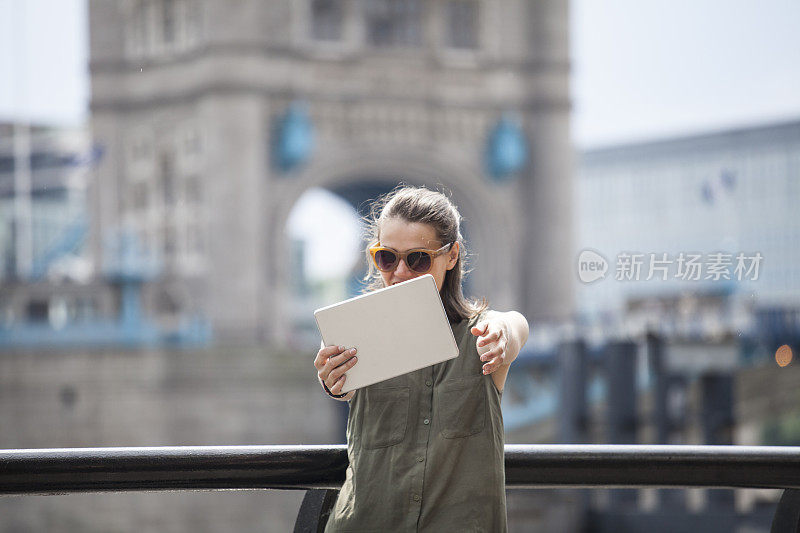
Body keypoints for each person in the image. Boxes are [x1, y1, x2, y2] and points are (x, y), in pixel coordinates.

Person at [314, 185, 529, 532]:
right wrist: (333, 381)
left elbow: (516, 325)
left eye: (417, 259)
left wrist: (504, 332)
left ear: (452, 256)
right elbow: (339, 387)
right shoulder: (354, 338)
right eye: (386, 257)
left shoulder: (483, 338)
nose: (399, 272)